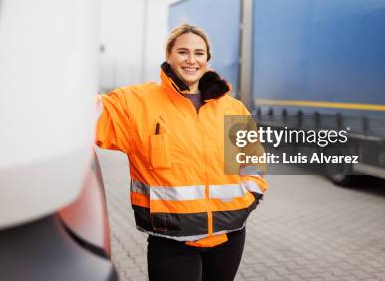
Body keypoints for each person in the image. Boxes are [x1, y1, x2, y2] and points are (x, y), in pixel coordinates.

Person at [95, 23, 267, 281]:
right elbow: (86, 115)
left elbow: (252, 159)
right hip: (172, 240)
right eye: (183, 52)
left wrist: (250, 196)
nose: (191, 60)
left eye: (199, 53)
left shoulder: (232, 109)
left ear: (207, 59)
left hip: (229, 236)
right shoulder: (136, 103)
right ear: (169, 55)